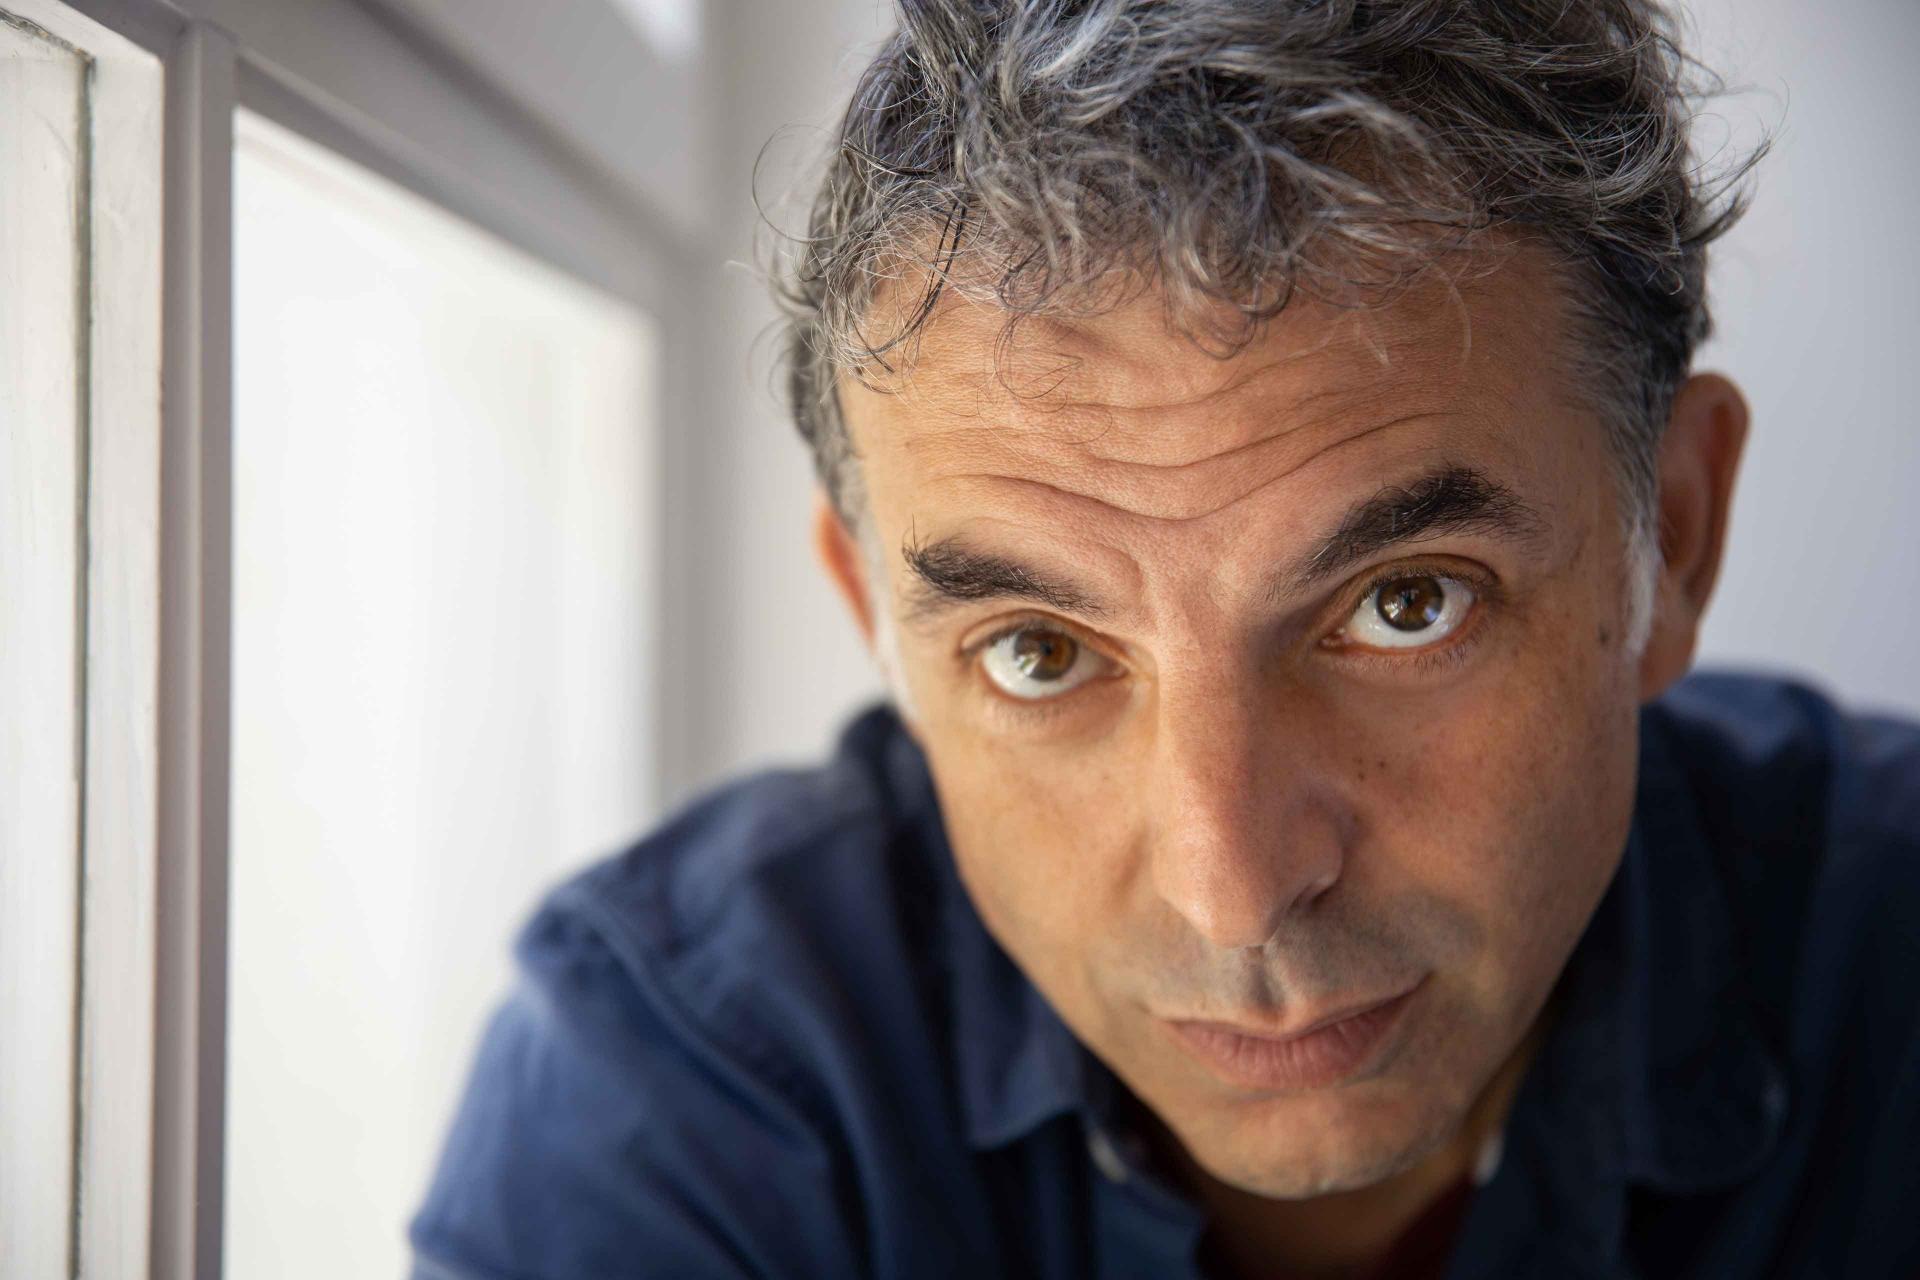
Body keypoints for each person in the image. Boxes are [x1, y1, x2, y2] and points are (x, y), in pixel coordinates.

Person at [408, 1, 1920, 1276]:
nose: (1234, 888)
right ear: (879, 626)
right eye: (1038, 653)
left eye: (1407, 604)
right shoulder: (681, 1103)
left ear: (1675, 535)